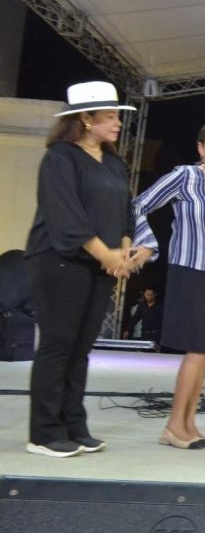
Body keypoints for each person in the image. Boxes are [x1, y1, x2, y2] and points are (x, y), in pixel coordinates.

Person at [24, 81, 136, 457]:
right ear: (86, 119)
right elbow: (66, 216)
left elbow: (125, 211)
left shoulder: (115, 162)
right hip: (59, 262)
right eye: (110, 116)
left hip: (99, 266)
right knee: (57, 346)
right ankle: (44, 432)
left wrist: (122, 249)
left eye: (118, 116)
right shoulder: (60, 157)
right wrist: (106, 255)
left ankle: (73, 425)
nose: (117, 123)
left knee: (81, 349)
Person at [130, 121, 205, 450]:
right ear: (201, 148)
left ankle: (188, 422)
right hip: (191, 272)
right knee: (196, 351)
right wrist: (147, 244)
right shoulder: (185, 176)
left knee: (204, 353)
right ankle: (172, 426)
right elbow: (139, 203)